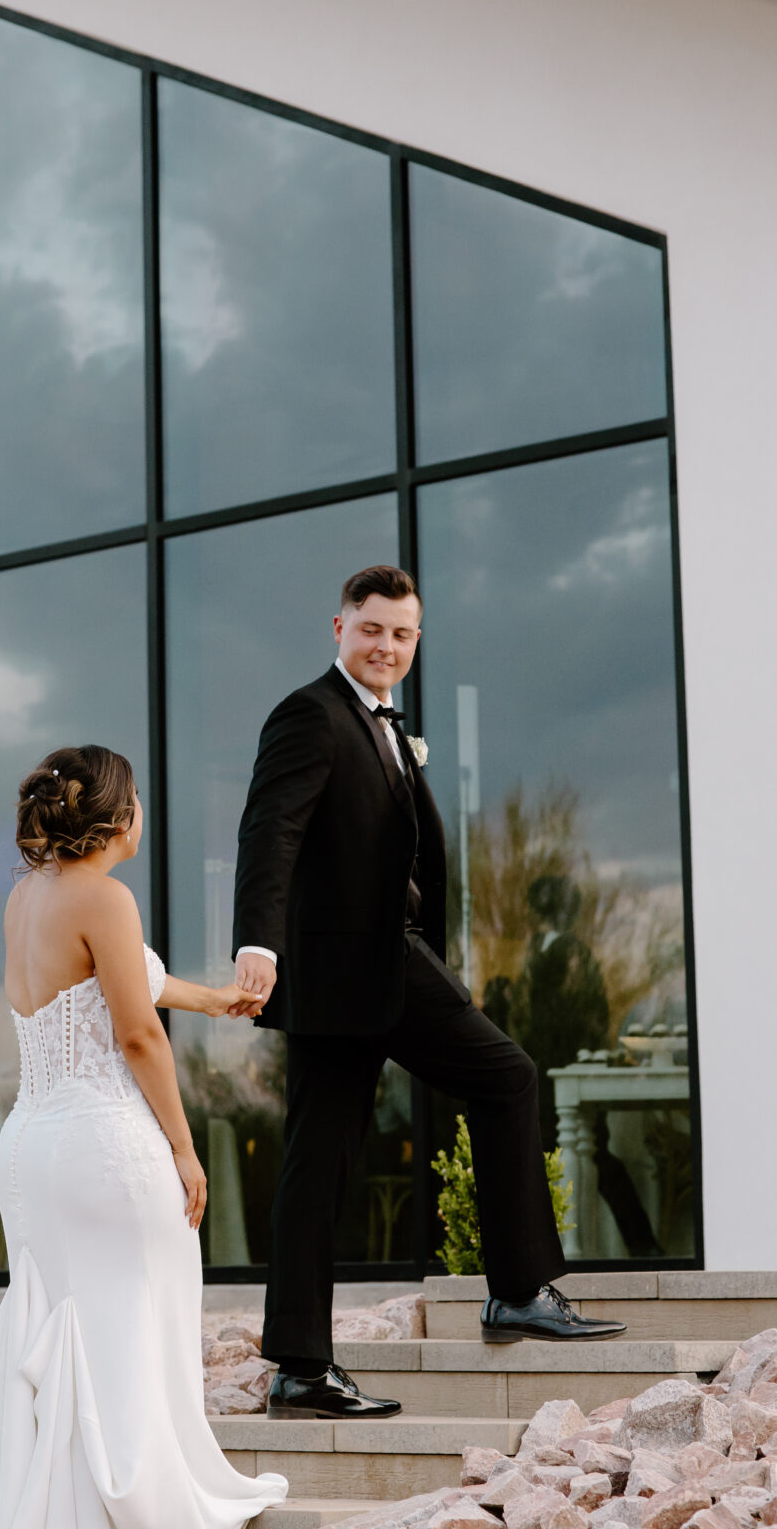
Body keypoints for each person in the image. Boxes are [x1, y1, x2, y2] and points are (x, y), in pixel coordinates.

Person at [232, 562, 625, 1421]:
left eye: (402, 634)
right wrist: (257, 941)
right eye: (371, 628)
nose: (386, 646)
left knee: (326, 1158)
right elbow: (271, 830)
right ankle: (509, 1292)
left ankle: (305, 1365)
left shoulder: (382, 725)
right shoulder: (309, 714)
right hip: (349, 966)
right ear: (338, 628)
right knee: (493, 1082)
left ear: (416, 642)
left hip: (387, 961)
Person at [0, 744, 287, 1529]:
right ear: (120, 817)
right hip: (101, 1142)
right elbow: (134, 1033)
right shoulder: (107, 896)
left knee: (70, 1327)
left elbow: (122, 985)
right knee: (134, 1320)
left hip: (31, 1146)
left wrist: (218, 1000)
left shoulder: (28, 898)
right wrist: (184, 1145)